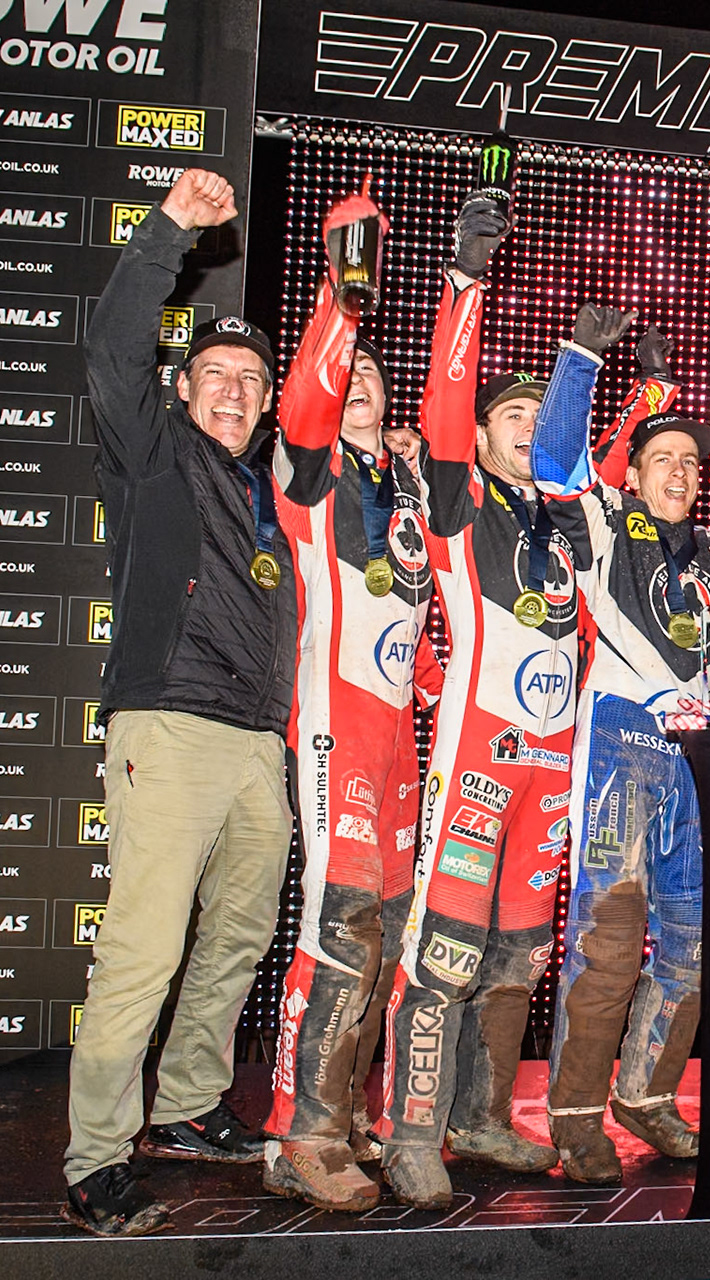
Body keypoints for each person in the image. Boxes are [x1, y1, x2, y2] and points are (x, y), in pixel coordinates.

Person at [369, 201, 677, 1208]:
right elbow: (451, 392)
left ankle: (484, 1115)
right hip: (478, 756)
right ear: (484, 435)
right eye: (514, 416)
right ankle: (411, 1126)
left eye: (533, 418)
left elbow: (595, 462)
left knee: (519, 950)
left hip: (552, 763)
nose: (527, 428)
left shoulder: (566, 527)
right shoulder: (458, 502)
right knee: (447, 940)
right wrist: (467, 281)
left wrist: (643, 395)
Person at [63, 168, 296, 1236]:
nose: (235, 391)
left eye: (252, 379)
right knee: (146, 949)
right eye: (216, 372)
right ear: (185, 384)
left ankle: (190, 1105)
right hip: (171, 723)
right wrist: (166, 233)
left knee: (238, 938)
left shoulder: (263, 495)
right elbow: (112, 347)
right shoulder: (154, 454)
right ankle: (95, 1158)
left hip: (256, 744)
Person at [533, 306, 710, 1184]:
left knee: (691, 941)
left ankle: (646, 1096)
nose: (681, 472)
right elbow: (551, 462)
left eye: (692, 461)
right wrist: (580, 362)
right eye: (663, 459)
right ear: (638, 472)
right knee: (608, 941)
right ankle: (575, 1119)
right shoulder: (608, 524)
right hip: (619, 738)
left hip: (696, 754)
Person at [260, 184, 434, 1212]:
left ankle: (348, 1103)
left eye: (374, 370)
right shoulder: (311, 471)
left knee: (389, 923)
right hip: (332, 723)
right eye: (350, 374)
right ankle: (298, 1129)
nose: (360, 380)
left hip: (402, 732)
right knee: (338, 922)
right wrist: (345, 300)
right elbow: (304, 403)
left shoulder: (404, 485)